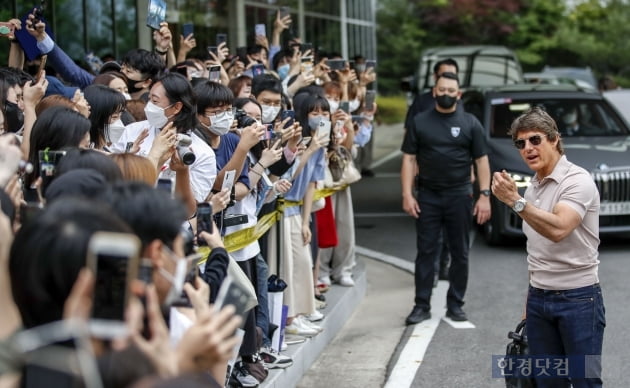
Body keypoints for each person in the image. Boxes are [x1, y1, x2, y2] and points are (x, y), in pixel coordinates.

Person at [492, 106, 604, 388]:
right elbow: (537, 250)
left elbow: (558, 229)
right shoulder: (534, 186)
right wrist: (529, 304)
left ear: (554, 138)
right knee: (546, 382)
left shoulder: (577, 181)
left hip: (579, 300)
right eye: (521, 143)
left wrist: (515, 201)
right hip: (540, 300)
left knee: (584, 381)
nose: (527, 148)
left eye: (535, 139)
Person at [400, 72, 491, 325]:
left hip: (460, 194)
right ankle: (421, 305)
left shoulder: (470, 122)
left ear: (458, 94)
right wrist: (407, 194)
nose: (447, 94)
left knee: (460, 252)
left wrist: (485, 195)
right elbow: (408, 159)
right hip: (428, 195)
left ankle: (456, 304)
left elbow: (482, 160)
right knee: (426, 251)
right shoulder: (420, 121)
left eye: (452, 90)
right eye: (442, 89)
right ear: (434, 92)